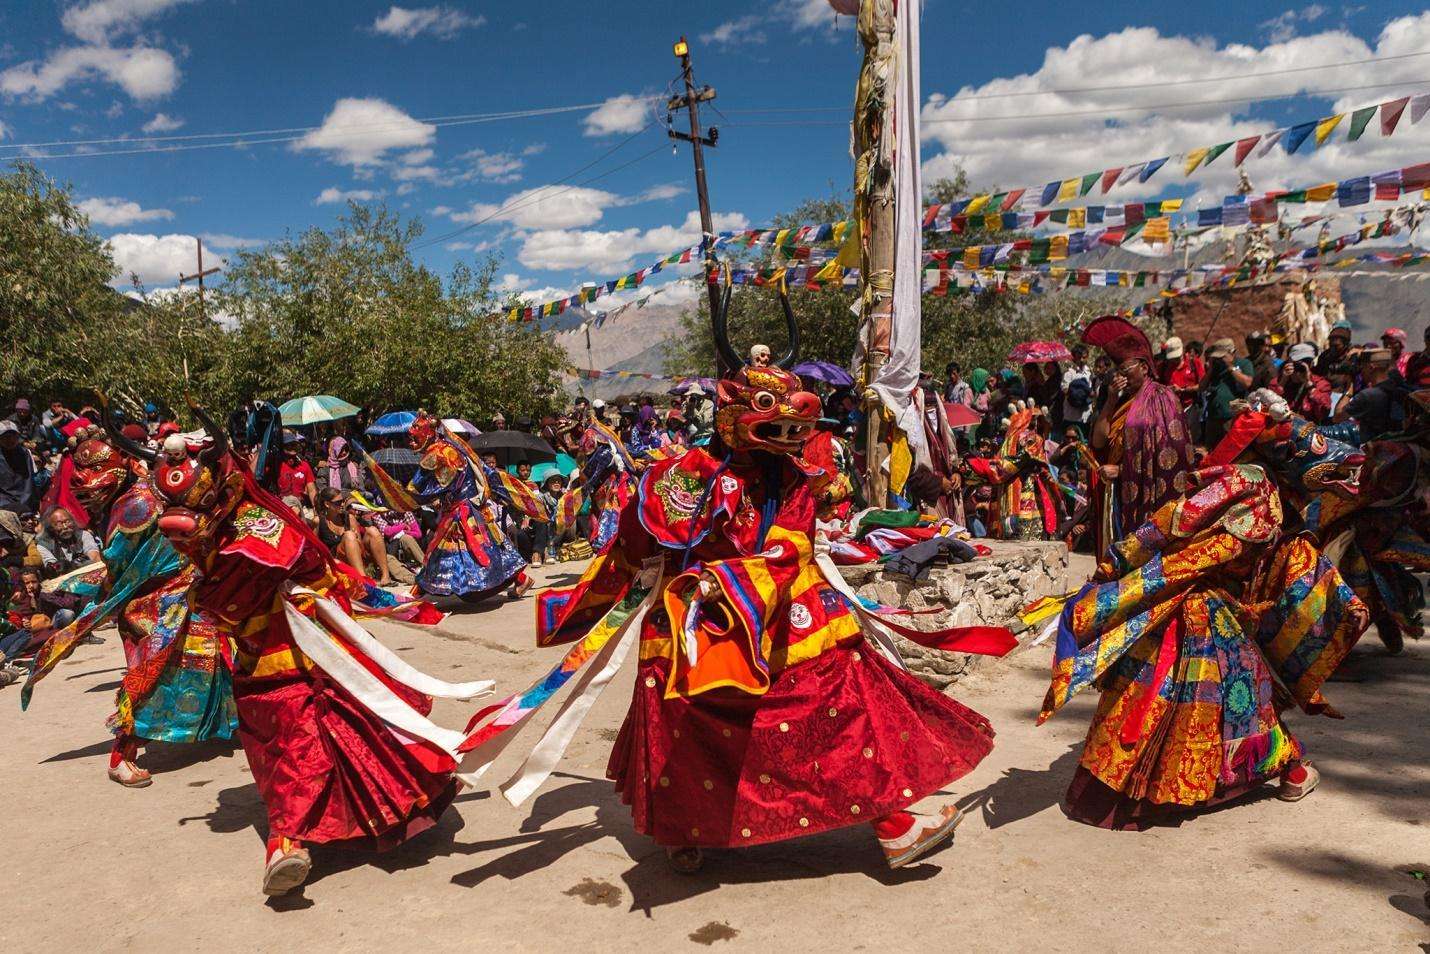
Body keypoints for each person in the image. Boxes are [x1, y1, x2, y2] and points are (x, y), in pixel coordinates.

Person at [465, 287, 1017, 875]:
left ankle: (891, 822)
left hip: (781, 614)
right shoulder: (680, 476)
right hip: (693, 621)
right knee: (695, 723)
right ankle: (688, 828)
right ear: (730, 415)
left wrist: (738, 577)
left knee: (835, 705)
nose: (785, 435)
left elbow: (792, 543)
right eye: (770, 421)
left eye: (791, 423)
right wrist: (605, 593)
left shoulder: (797, 477)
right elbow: (637, 539)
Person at [134, 401, 493, 895]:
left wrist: (287, 591)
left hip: (301, 652)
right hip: (253, 655)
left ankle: (288, 840)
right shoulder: (199, 532)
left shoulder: (260, 525)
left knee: (305, 739)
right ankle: (298, 835)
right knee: (278, 745)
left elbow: (312, 566)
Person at [1039, 463, 1367, 829]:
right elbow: (1301, 565)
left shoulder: (1189, 518)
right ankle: (1289, 771)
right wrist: (1348, 604)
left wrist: (1107, 578)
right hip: (1211, 621)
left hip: (1168, 616)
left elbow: (1139, 550)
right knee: (1248, 701)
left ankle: (1107, 793)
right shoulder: (1255, 518)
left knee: (1144, 699)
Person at [23, 422, 237, 787]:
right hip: (155, 605)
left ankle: (232, 726)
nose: (85, 487)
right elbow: (118, 563)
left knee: (213, 663)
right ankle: (121, 755)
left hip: (179, 595)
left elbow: (117, 561)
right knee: (151, 676)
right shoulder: (137, 498)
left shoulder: (137, 500)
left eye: (94, 473)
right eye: (82, 475)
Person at [1085, 316, 1195, 559]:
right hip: (1116, 493)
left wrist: (1123, 469)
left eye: (1125, 370)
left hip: (1146, 490)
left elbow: (1170, 455)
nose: (1120, 377)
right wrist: (1111, 399)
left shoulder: (1161, 398)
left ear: (1144, 367)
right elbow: (1099, 442)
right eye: (1117, 372)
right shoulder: (1120, 400)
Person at [406, 412, 529, 602]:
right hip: (466, 509)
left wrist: (404, 494)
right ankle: (522, 579)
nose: (411, 442)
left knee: (445, 552)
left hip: (461, 512)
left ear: (428, 434)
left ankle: (417, 591)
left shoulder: (439, 452)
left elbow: (425, 484)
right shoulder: (450, 448)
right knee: (488, 549)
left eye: (415, 437)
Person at [317, 488, 392, 586]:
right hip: (335, 561)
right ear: (327, 504)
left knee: (372, 530)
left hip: (354, 557)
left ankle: (386, 576)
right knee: (349, 535)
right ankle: (363, 580)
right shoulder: (319, 521)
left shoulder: (349, 518)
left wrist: (356, 538)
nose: (342, 504)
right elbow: (314, 547)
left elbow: (359, 546)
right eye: (338, 502)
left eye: (343, 501)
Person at [1198, 337, 1254, 448]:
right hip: (1213, 417)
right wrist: (1210, 369)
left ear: (1232, 353)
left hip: (1231, 417)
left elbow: (1247, 383)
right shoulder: (1216, 367)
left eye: (1222, 357)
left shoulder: (1244, 363)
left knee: (1229, 449)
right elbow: (1201, 387)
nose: (1220, 360)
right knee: (1211, 450)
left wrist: (1230, 367)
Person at [1335, 348, 1402, 440]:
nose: (1361, 371)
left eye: (1363, 367)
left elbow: (1338, 417)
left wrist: (1349, 387)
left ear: (1371, 367)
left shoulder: (1368, 395)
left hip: (1373, 447)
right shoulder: (1397, 388)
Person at [1277, 343, 1333, 423]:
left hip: (1306, 430)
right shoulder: (1280, 380)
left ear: (1311, 364)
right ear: (1289, 361)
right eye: (1298, 362)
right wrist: (1283, 382)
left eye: (1307, 361)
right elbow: (1267, 405)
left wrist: (1309, 385)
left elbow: (1323, 413)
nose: (1303, 365)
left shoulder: (1321, 384)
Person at [36, 506, 102, 572]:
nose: (65, 527)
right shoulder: (44, 545)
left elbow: (94, 556)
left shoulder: (83, 535)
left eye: (67, 521)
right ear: (50, 528)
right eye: (59, 524)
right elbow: (53, 568)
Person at [1157, 335, 1204, 410]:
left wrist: (1183, 390)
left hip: (1190, 407)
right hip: (1170, 408)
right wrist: (1167, 389)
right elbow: (1156, 386)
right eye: (1172, 358)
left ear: (1182, 351)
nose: (1174, 360)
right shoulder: (1164, 366)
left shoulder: (1194, 362)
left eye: (1176, 357)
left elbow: (1203, 385)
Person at [0, 420, 38, 515]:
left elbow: (29, 483)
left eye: (14, 436)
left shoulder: (24, 454)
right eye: (6, 437)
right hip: (3, 502)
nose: (11, 440)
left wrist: (23, 504)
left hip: (24, 502)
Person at [1060, 346, 1095, 438]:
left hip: (1085, 415)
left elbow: (1092, 391)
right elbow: (1065, 390)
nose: (1082, 360)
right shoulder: (1069, 372)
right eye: (1079, 357)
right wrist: (1078, 393)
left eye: (1084, 357)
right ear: (1074, 357)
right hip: (1071, 415)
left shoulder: (1090, 372)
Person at [276, 433, 318, 511]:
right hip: (282, 507)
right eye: (287, 456)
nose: (291, 459)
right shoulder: (276, 466)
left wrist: (315, 509)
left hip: (302, 507)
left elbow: (311, 490)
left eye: (293, 456)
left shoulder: (304, 465)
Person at [326, 423, 360, 491]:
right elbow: (323, 491)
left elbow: (361, 489)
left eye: (346, 449)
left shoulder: (353, 467)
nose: (344, 452)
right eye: (340, 450)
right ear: (334, 451)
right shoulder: (325, 471)